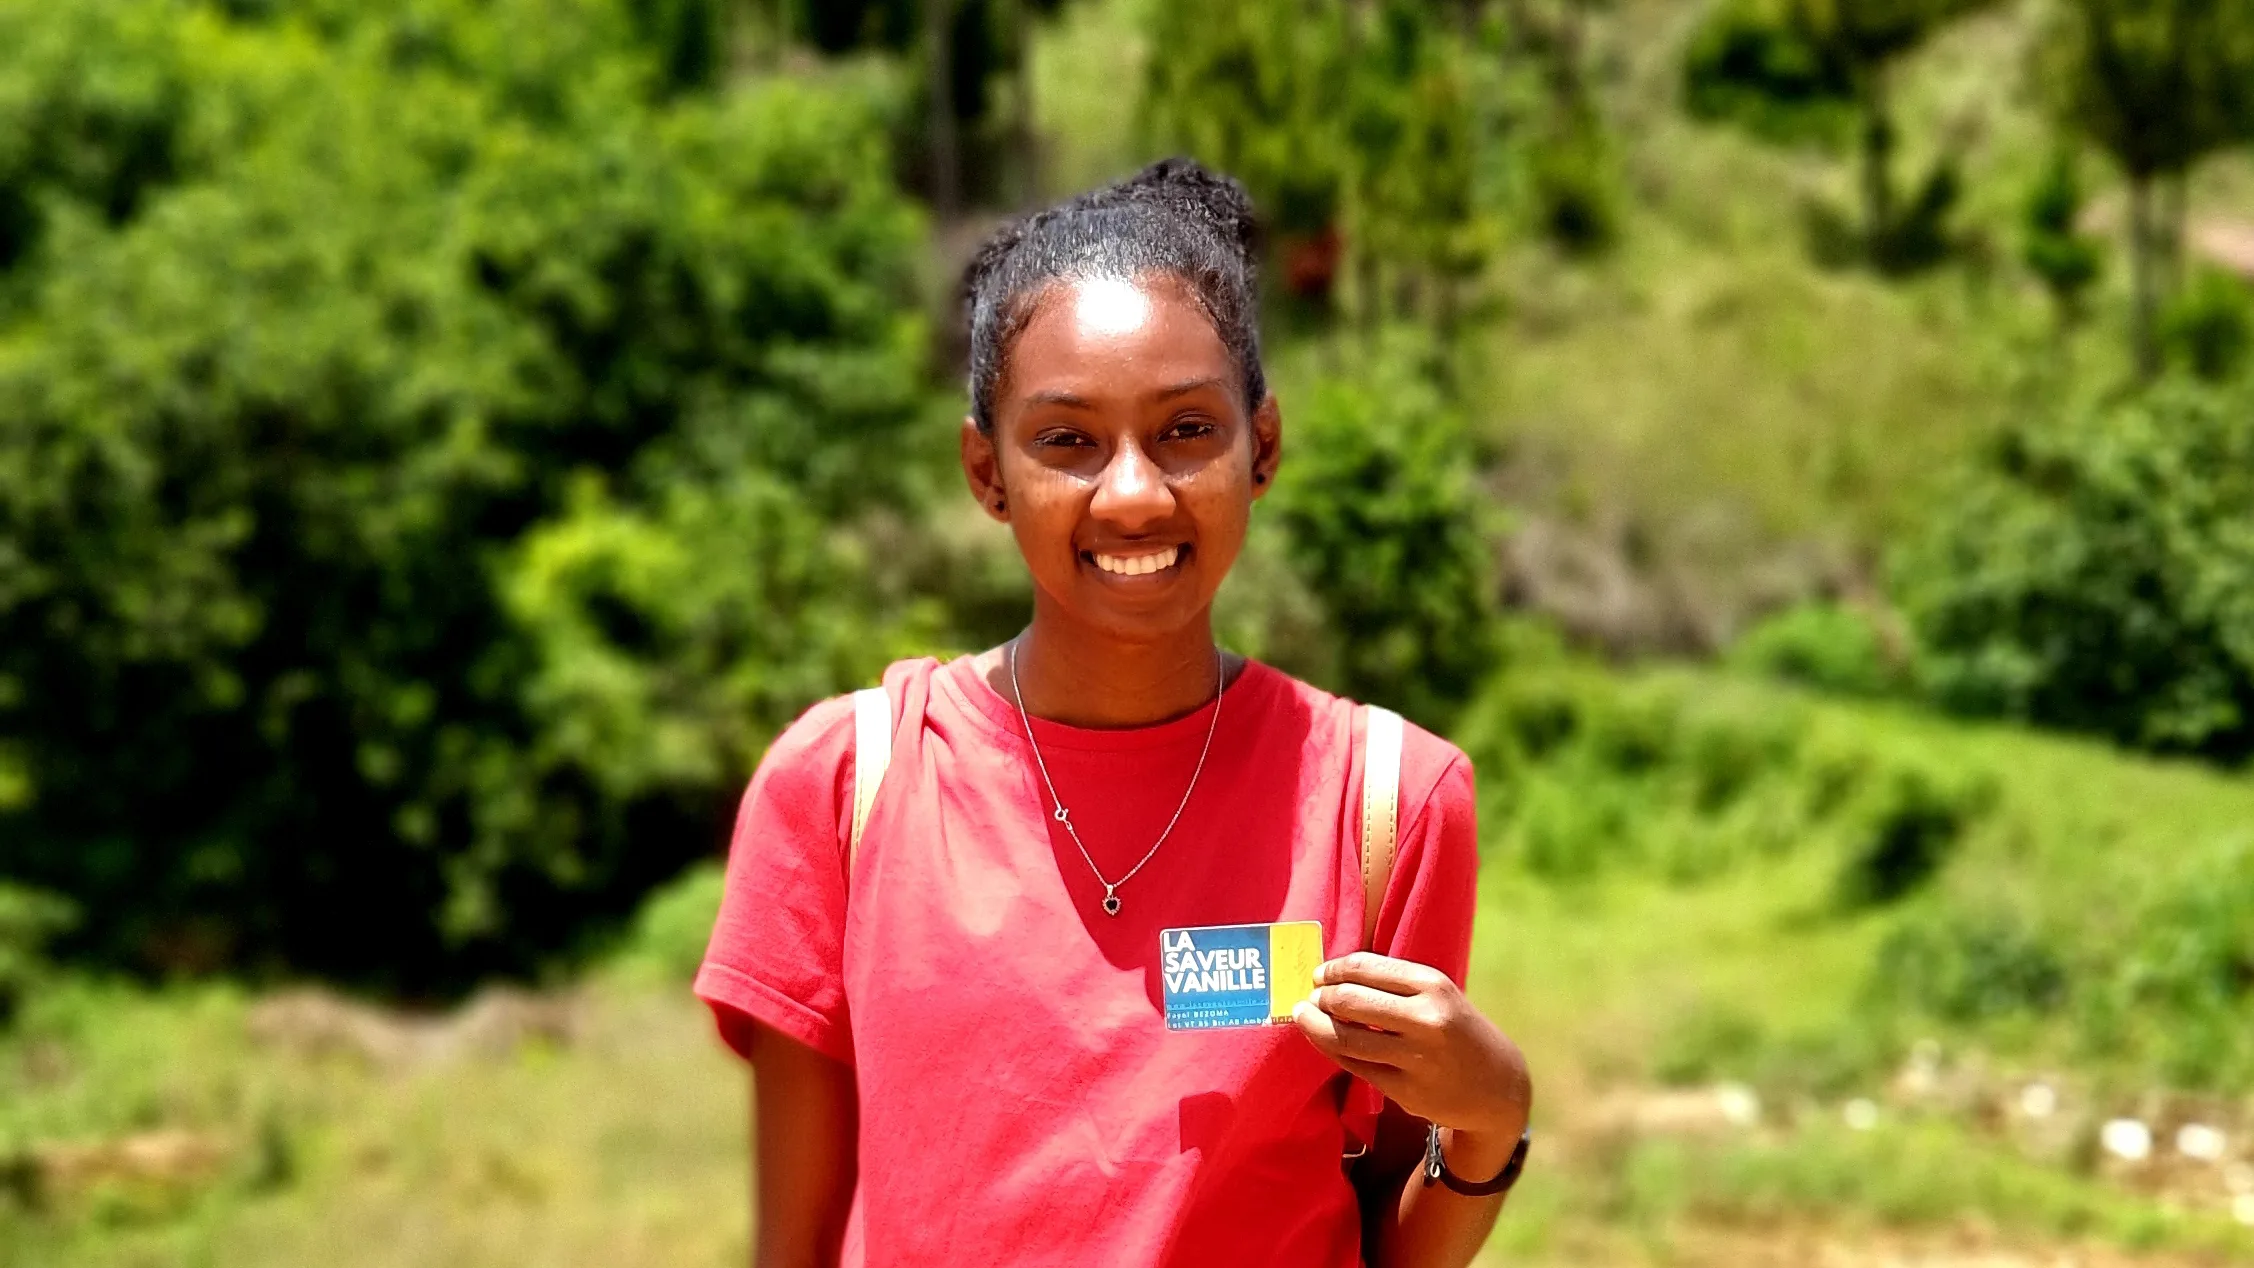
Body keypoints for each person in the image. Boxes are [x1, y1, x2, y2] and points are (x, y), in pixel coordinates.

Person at [696, 158, 1533, 1268]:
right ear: (986, 471)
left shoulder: (1386, 800)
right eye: (1068, 440)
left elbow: (1385, 1244)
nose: (1134, 492)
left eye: (1187, 429)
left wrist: (1491, 1118)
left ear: (1262, 447)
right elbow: (791, 1246)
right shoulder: (849, 783)